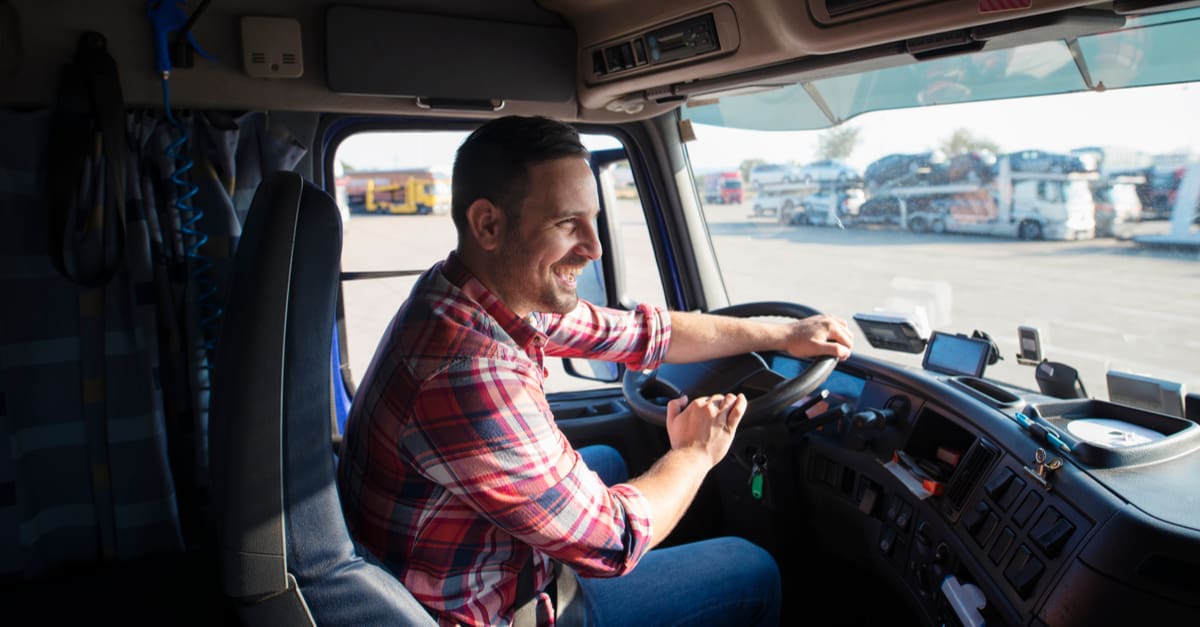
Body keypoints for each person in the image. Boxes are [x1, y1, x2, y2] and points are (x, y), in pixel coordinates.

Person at [336, 115, 854, 627]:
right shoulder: (467, 371)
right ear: (488, 225)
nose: (594, 247)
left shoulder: (471, 292)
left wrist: (782, 333)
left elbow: (642, 334)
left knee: (608, 456)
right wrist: (696, 453)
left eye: (592, 219)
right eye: (567, 224)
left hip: (464, 561)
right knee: (751, 567)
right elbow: (616, 541)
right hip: (494, 611)